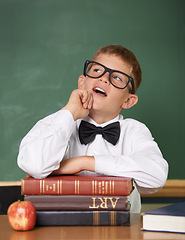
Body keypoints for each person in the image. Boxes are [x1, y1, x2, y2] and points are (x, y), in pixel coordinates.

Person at [17, 45, 168, 213]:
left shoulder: (134, 131)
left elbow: (156, 176)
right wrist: (70, 112)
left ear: (128, 101)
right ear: (82, 82)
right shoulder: (57, 123)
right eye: (97, 70)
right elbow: (34, 165)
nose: (103, 79)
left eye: (117, 78)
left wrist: (84, 163)